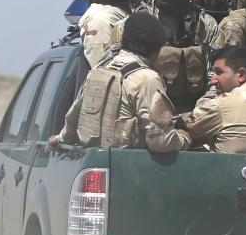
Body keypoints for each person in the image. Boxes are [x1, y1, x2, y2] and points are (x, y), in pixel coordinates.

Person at [53, 11, 180, 152]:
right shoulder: (147, 79)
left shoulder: (97, 71)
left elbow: (73, 118)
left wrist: (59, 139)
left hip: (91, 159)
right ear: (156, 49)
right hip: (129, 166)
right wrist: (185, 138)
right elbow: (161, 142)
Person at [145, 0, 220, 112]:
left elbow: (216, 78)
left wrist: (196, 116)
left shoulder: (206, 25)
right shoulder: (139, 24)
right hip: (148, 110)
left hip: (195, 112)